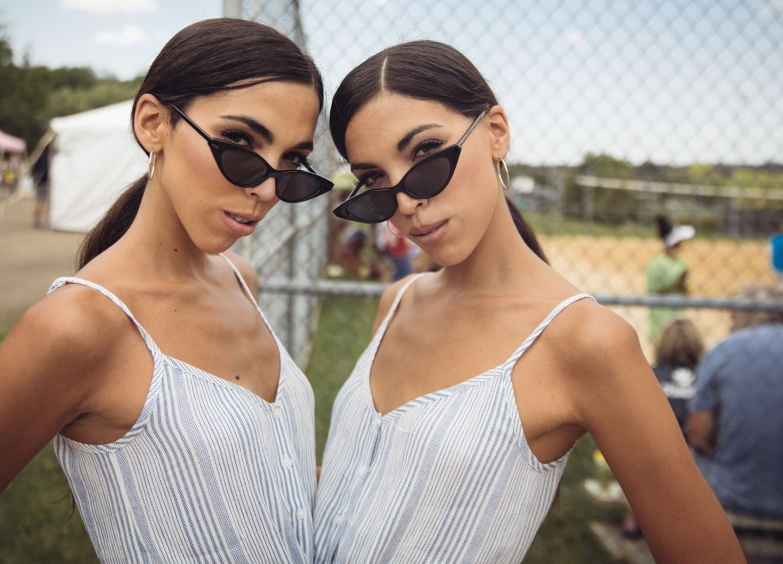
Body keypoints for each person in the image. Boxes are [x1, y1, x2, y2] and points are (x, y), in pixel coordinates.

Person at [0, 18, 333, 562]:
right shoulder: (75, 328)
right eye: (238, 141)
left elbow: (270, 471)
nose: (265, 187)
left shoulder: (240, 278)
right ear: (154, 123)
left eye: (292, 161)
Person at [315, 40, 744, 563]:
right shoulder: (397, 302)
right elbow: (371, 485)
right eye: (374, 181)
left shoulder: (587, 341)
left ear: (496, 132)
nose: (405, 202)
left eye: (426, 154)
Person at [686, 285, 783, 521]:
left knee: (682, 454)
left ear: (741, 315)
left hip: (735, 495)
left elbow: (698, 438)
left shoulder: (723, 351)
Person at [622, 317, 706, 538]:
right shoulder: (706, 376)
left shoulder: (651, 374)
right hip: (696, 456)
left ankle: (635, 518)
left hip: (655, 454)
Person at [644, 215, 695, 340]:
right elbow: (654, 292)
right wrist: (676, 284)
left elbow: (686, 291)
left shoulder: (680, 262)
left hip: (679, 316)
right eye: (678, 243)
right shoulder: (655, 263)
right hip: (661, 320)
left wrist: (682, 284)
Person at [31, 146, 50, 228]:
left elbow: (33, 169)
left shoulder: (39, 157)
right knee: (42, 202)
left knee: (39, 201)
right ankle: (39, 219)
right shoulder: (47, 158)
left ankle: (37, 219)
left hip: (38, 182)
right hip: (44, 182)